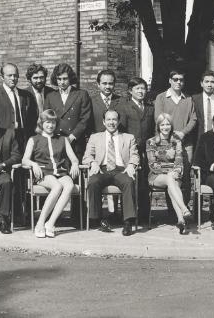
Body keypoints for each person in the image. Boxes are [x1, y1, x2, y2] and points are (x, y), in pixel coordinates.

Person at [22, 110, 81, 238]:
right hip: (44, 173)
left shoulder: (63, 139)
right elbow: (24, 160)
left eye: (53, 122)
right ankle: (40, 223)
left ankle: (50, 224)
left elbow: (74, 158)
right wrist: (34, 164)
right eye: (47, 122)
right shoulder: (34, 139)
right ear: (41, 123)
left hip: (60, 172)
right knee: (57, 186)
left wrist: (75, 164)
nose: (50, 125)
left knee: (69, 185)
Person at [82, 109, 139, 236]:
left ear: (118, 122)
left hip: (121, 170)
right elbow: (87, 156)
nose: (111, 122)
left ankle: (128, 222)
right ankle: (99, 220)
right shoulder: (95, 137)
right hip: (101, 169)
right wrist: (93, 163)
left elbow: (135, 155)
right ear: (103, 122)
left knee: (129, 182)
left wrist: (131, 164)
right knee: (93, 182)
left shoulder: (129, 138)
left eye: (114, 119)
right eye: (108, 119)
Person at [154, 70, 197, 207]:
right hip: (167, 143)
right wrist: (171, 137)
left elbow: (193, 119)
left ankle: (184, 209)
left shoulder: (188, 99)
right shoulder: (161, 98)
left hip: (186, 144)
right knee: (170, 174)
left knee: (184, 177)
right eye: (175, 79)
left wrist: (184, 132)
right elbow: (158, 119)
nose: (178, 82)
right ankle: (173, 212)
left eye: (181, 80)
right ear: (170, 80)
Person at [117, 77, 155, 223]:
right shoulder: (124, 107)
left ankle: (145, 215)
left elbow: (152, 130)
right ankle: (129, 215)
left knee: (145, 182)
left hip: (147, 151)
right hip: (130, 151)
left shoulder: (150, 107)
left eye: (143, 88)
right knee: (131, 182)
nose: (141, 91)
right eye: (137, 88)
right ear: (130, 91)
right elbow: (121, 131)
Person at [146, 113, 192, 234]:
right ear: (158, 126)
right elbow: (153, 164)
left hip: (174, 175)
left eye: (167, 124)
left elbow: (179, 160)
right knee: (170, 180)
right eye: (162, 124)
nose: (165, 127)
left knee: (172, 185)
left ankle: (181, 221)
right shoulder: (151, 142)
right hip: (156, 176)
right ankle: (184, 208)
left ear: (171, 126)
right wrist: (168, 163)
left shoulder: (176, 141)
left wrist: (176, 171)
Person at [44, 63, 91, 158]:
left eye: (65, 79)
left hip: (76, 142)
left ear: (70, 78)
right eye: (59, 79)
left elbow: (85, 119)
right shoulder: (50, 96)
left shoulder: (81, 94)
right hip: (56, 142)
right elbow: (46, 119)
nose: (62, 82)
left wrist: (72, 137)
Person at [0, 63, 34, 150]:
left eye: (15, 75)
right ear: (2, 77)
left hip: (23, 138)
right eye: (9, 75)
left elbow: (31, 118)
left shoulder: (26, 95)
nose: (13, 78)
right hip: (4, 138)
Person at [191, 70, 214, 147]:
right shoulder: (194, 99)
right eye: (207, 81)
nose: (209, 85)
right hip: (199, 141)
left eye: (212, 82)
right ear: (202, 84)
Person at [89, 69, 121, 134]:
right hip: (97, 141)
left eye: (110, 83)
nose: (108, 86)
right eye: (104, 83)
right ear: (98, 84)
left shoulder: (122, 101)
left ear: (114, 84)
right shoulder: (90, 101)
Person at [25, 63, 54, 130]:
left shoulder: (52, 92)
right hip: (31, 133)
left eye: (41, 77)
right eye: (35, 78)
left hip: (50, 131)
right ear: (30, 79)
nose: (39, 81)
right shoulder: (24, 94)